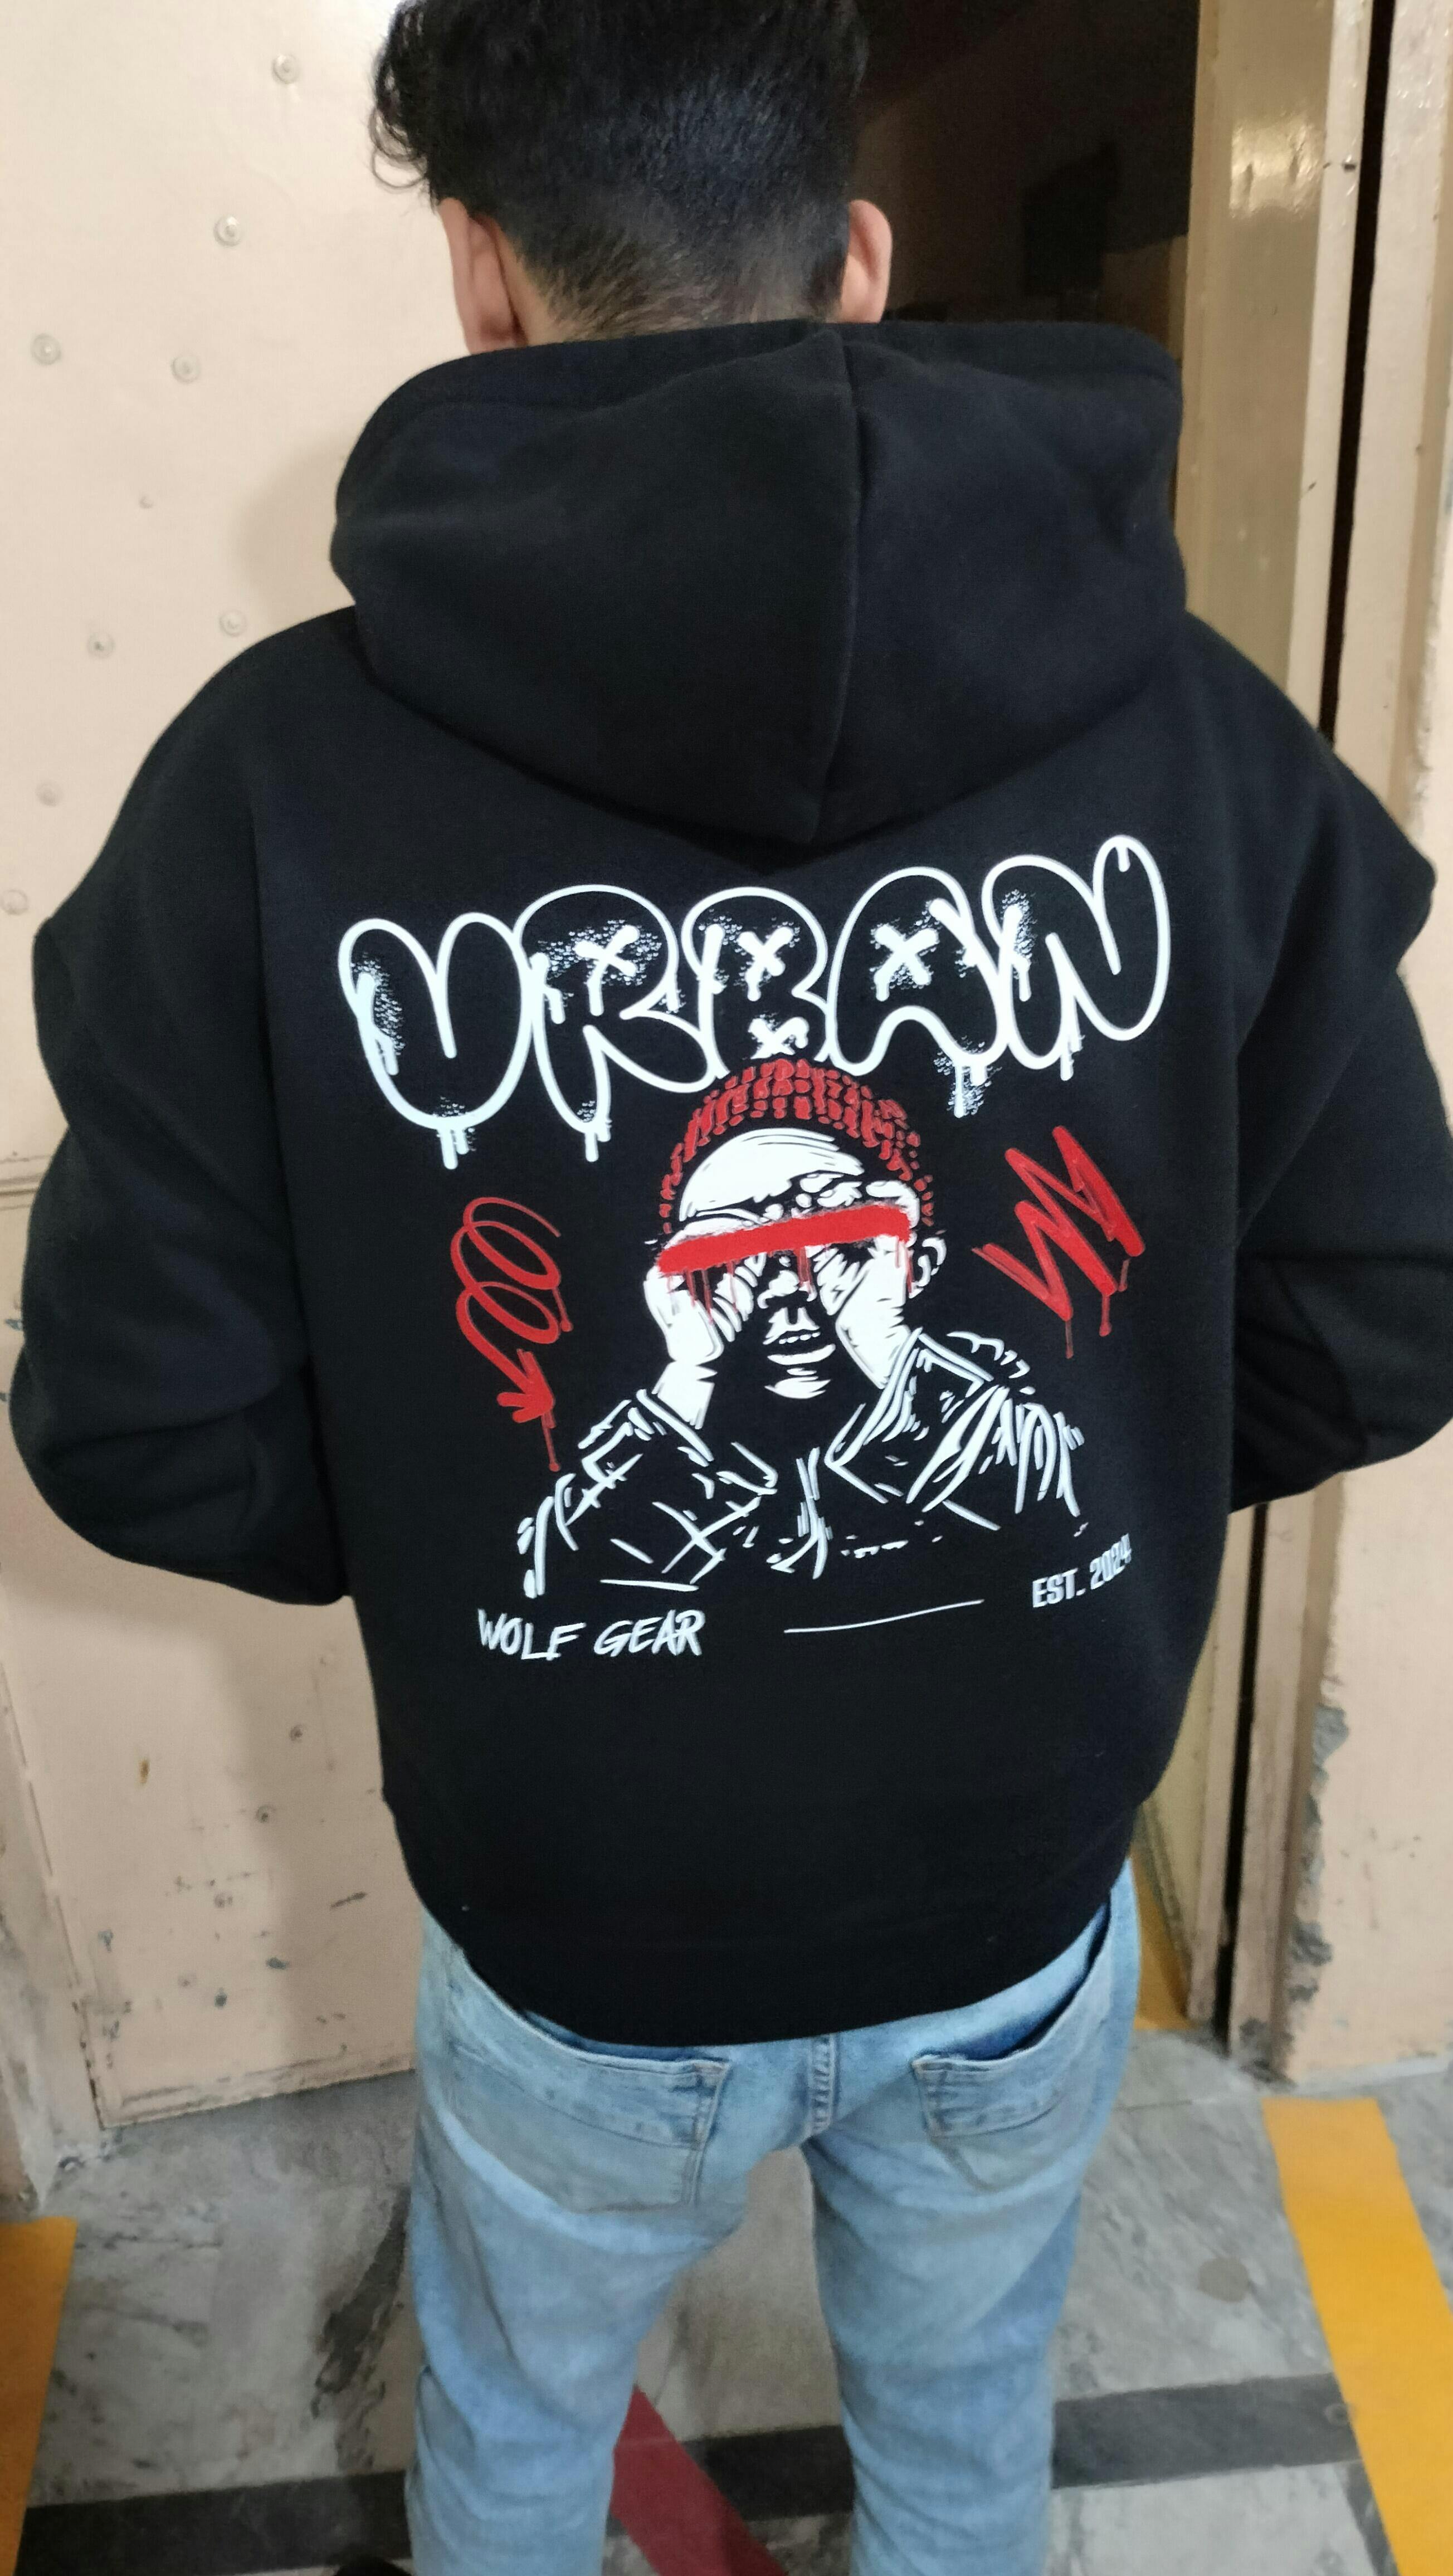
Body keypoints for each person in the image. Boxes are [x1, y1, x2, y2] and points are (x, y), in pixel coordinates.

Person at [12, 5, 1453, 2573]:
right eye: (736, 1257)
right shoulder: (1209, 747)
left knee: (513, 2440)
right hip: (1019, 1891)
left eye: (831, 1246)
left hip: (573, 1925)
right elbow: (1379, 1310)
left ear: (480, 274)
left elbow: (137, 1423)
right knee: (959, 2442)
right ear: (860, 256)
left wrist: (446, 1516)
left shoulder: (261, 788)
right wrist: (1098, 1464)